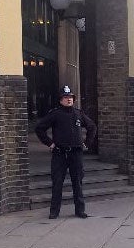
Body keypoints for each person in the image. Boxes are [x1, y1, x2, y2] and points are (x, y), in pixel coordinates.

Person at [35, 85, 97, 219]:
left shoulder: (79, 114)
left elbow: (92, 127)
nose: (68, 100)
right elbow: (39, 128)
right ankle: (54, 211)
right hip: (60, 153)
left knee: (77, 182)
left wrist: (87, 143)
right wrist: (49, 143)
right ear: (60, 100)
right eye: (65, 97)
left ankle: (80, 210)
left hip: (76, 153)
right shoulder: (55, 114)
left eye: (70, 97)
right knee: (57, 183)